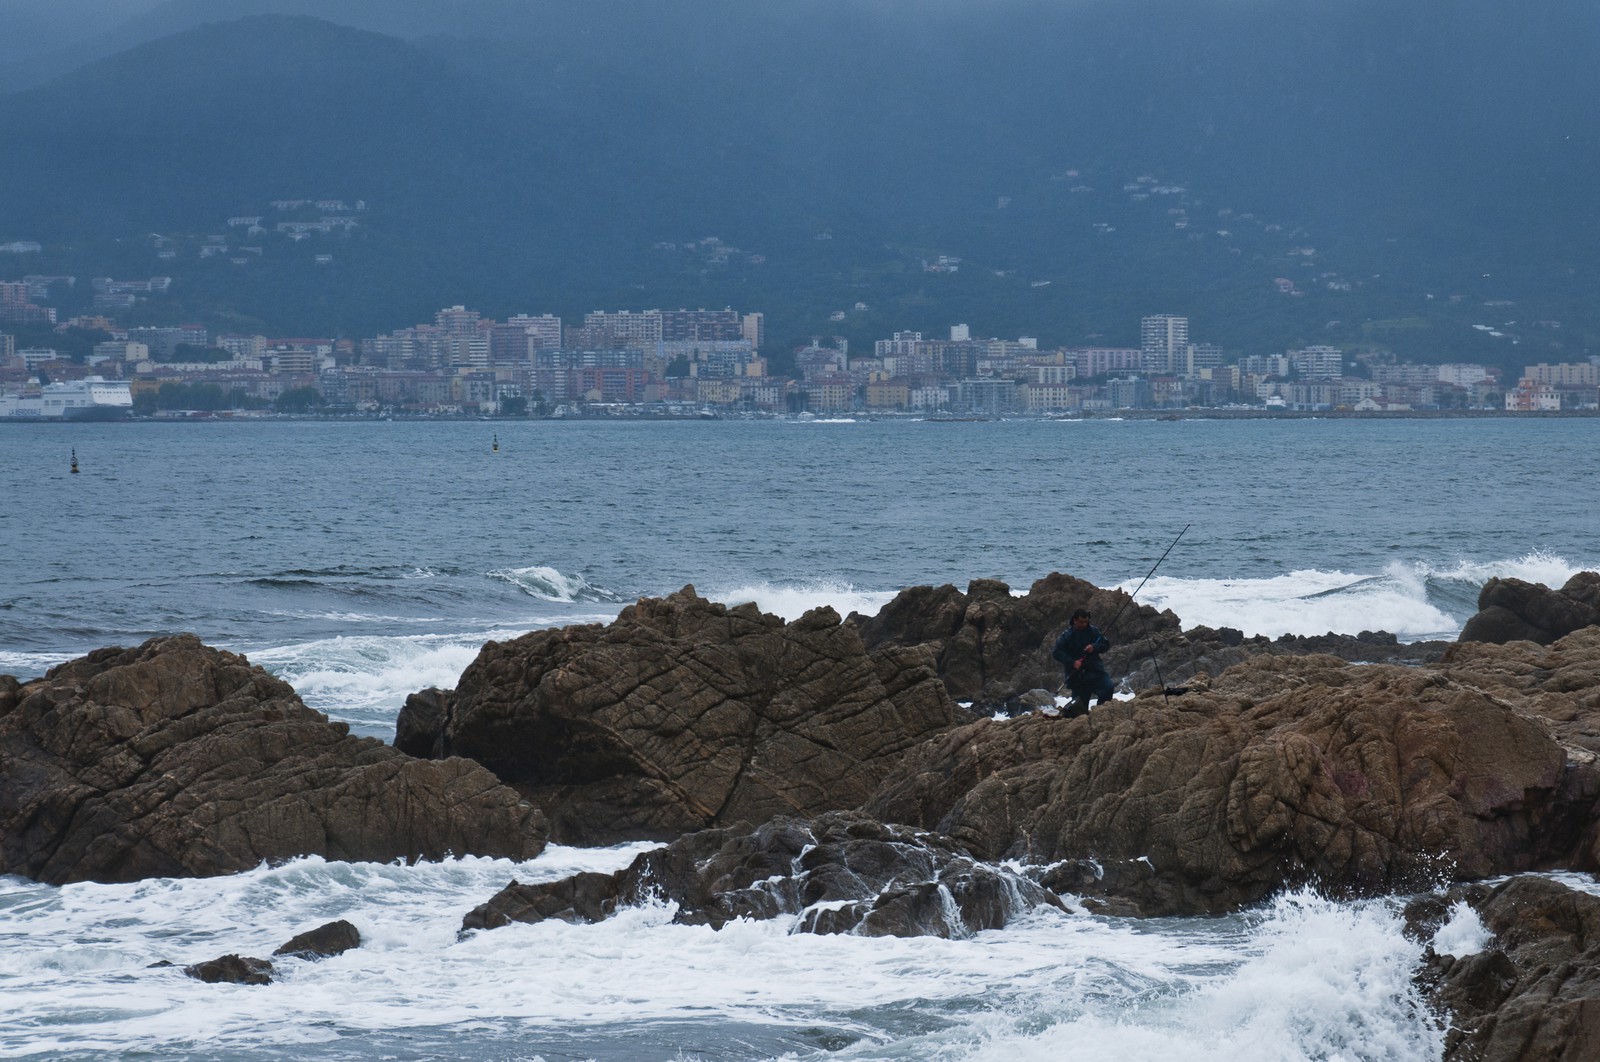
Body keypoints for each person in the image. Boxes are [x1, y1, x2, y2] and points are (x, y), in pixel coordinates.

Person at [1051, 608, 1114, 718]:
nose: (1084, 624)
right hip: (1077, 677)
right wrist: (1072, 662)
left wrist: (1094, 647)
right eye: (1081, 622)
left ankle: (1100, 715)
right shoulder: (1067, 635)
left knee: (1108, 688)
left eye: (1086, 622)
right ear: (1074, 620)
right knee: (1079, 710)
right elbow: (1056, 652)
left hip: (1096, 671)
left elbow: (1105, 645)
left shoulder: (1094, 631)